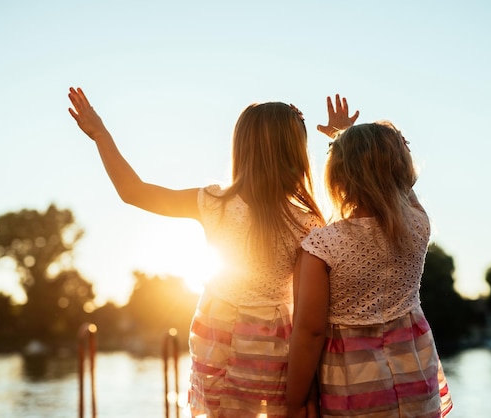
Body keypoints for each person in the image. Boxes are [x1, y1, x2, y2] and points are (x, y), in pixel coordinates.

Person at [67, 87, 325, 417]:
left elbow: (133, 192)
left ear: (242, 148)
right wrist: (305, 398)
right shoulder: (307, 221)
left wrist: (100, 134)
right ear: (297, 153)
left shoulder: (214, 202)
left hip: (214, 335)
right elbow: (308, 314)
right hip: (273, 345)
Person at [286, 95, 453, 417]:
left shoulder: (322, 245)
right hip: (415, 376)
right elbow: (404, 189)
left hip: (355, 385)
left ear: (337, 175)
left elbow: (309, 332)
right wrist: (346, 137)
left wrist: (296, 401)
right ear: (403, 170)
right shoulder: (417, 226)